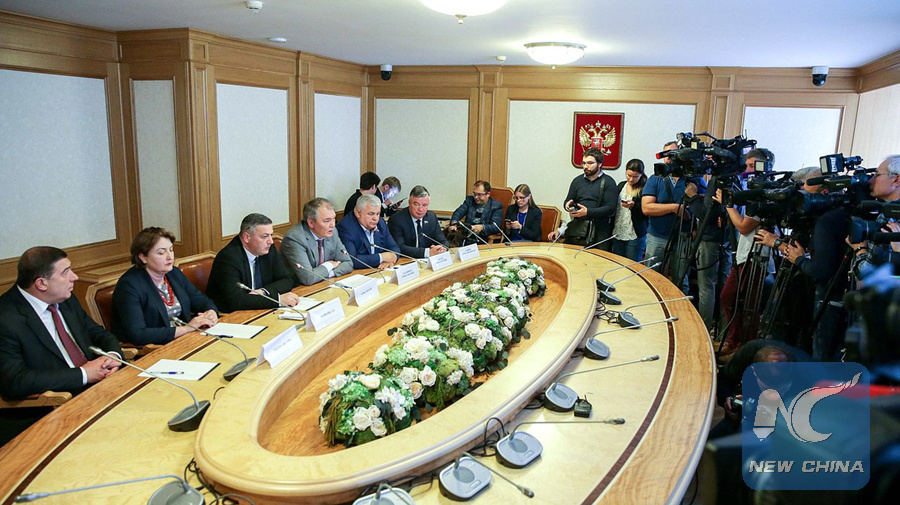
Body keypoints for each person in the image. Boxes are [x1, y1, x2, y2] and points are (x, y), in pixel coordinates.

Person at [0, 247, 123, 445]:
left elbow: (98, 333)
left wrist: (113, 356)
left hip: (97, 392)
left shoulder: (65, 299)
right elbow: (15, 381)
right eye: (66, 272)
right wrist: (83, 374)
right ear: (41, 283)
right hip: (48, 413)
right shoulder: (6, 318)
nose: (75, 277)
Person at [112, 227, 219, 345]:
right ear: (143, 257)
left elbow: (202, 301)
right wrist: (187, 329)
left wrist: (211, 312)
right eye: (161, 252)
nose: (170, 257)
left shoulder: (174, 274)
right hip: (157, 348)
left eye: (171, 250)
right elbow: (139, 334)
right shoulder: (129, 286)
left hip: (187, 339)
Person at [715, 149, 776, 357]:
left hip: (757, 256)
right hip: (744, 254)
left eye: (753, 166)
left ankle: (745, 349)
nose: (748, 170)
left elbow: (743, 226)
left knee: (749, 305)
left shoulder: (765, 194)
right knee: (729, 297)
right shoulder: (751, 190)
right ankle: (734, 342)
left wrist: (728, 205)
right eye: (747, 165)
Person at [206, 213, 301, 313]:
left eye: (271, 235)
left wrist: (263, 292)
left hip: (260, 309)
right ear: (246, 237)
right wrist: (277, 300)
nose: (271, 241)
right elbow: (236, 301)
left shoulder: (268, 249)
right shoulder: (228, 258)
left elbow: (286, 279)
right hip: (232, 315)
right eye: (264, 236)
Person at [642, 141, 695, 281]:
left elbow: (702, 207)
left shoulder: (693, 179)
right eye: (666, 155)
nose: (669, 158)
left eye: (672, 154)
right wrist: (674, 208)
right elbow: (646, 207)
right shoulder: (655, 178)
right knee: (651, 277)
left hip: (683, 238)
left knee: (681, 280)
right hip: (657, 236)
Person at [282, 198, 353, 285]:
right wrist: (329, 265)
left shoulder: (332, 232)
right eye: (327, 221)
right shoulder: (295, 238)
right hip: (300, 289)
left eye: (334, 219)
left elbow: (348, 263)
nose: (333, 225)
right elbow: (308, 278)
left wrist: (330, 273)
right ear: (311, 222)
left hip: (324, 284)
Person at [559, 147, 618, 249]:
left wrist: (588, 212)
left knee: (597, 258)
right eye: (584, 163)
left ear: (599, 164)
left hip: (600, 231)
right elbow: (568, 200)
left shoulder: (609, 182)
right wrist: (567, 205)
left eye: (590, 163)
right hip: (578, 229)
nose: (586, 166)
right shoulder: (577, 181)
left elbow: (611, 208)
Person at [336, 194, 401, 270]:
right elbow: (351, 260)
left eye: (378, 214)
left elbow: (394, 247)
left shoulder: (380, 223)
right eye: (371, 214)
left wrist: (392, 259)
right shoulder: (346, 228)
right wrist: (381, 258)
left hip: (379, 269)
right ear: (358, 213)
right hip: (357, 273)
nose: (375, 218)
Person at [387, 185, 450, 258]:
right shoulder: (397, 219)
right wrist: (427, 252)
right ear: (409, 203)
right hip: (405, 260)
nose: (420, 209)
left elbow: (443, 241)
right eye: (416, 204)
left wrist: (441, 249)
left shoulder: (431, 217)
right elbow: (399, 247)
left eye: (424, 205)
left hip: (426, 261)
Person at [611, 159, 648, 261]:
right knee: (617, 262)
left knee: (632, 264)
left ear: (641, 175)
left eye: (635, 177)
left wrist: (634, 206)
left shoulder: (645, 188)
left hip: (634, 232)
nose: (631, 179)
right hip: (618, 229)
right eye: (629, 175)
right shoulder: (621, 185)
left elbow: (647, 213)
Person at [449, 180, 504, 246]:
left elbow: (495, 226)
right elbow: (458, 212)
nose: (476, 197)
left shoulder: (496, 206)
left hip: (483, 239)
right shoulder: (469, 200)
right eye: (474, 194)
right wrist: (454, 223)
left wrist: (482, 227)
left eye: (479, 195)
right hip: (465, 237)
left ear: (488, 194)